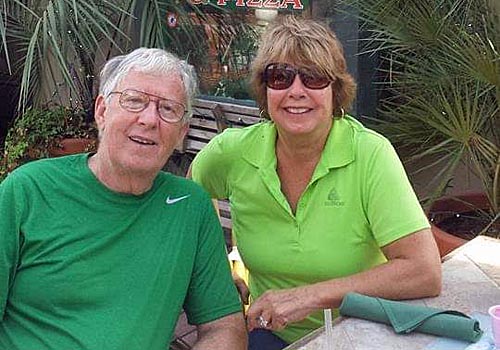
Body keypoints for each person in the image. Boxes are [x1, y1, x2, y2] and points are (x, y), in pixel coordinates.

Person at [190, 16, 442, 349]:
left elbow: (424, 271)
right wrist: (221, 275)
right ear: (264, 89)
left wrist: (311, 297)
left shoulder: (369, 154)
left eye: (313, 77)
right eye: (280, 77)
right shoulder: (232, 152)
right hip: (273, 335)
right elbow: (187, 202)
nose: (296, 91)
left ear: (335, 90)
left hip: (363, 333)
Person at [0, 48, 247, 350]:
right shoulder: (28, 190)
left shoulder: (190, 206)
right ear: (102, 111)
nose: (149, 119)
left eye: (168, 109)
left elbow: (225, 327)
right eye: (134, 100)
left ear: (182, 130)